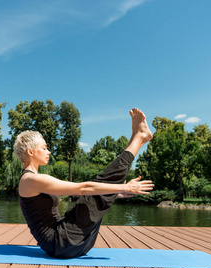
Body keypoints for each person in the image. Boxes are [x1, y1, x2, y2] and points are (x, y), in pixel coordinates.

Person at [14, 107, 154, 258]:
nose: (48, 152)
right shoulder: (31, 179)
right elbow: (82, 188)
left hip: (64, 243)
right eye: (44, 148)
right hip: (61, 242)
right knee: (94, 186)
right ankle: (138, 137)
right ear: (30, 152)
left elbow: (79, 190)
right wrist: (126, 186)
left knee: (97, 188)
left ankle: (138, 138)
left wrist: (115, 192)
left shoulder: (32, 179)